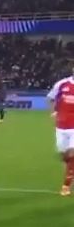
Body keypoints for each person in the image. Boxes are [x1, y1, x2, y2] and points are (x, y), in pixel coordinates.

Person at [45, 67, 74, 196]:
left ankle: (66, 186)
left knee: (72, 155)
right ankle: (71, 169)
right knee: (64, 155)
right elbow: (50, 97)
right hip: (61, 127)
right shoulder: (62, 84)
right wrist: (54, 111)